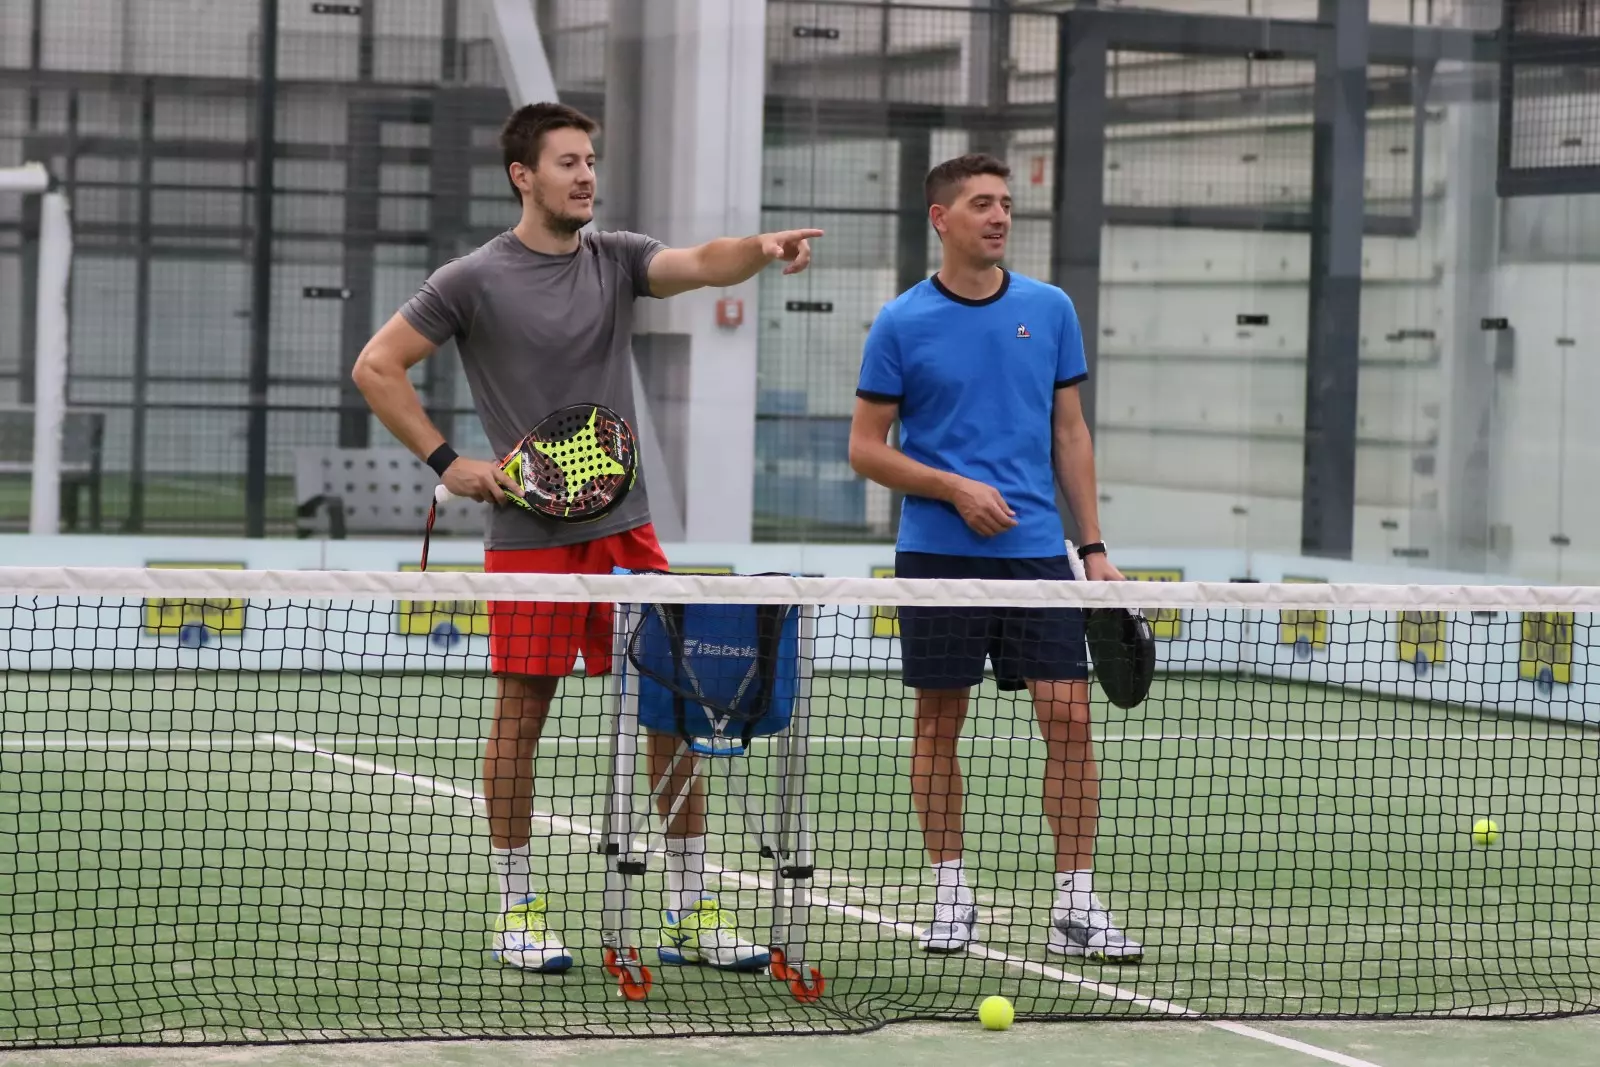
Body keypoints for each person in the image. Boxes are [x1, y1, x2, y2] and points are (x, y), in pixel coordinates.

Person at [352, 101, 822, 975]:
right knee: (521, 715)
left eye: (591, 161)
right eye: (567, 162)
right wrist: (447, 459)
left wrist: (756, 251)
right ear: (522, 176)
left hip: (627, 532)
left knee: (673, 711)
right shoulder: (471, 279)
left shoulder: (617, 258)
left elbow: (694, 264)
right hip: (528, 539)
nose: (586, 176)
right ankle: (515, 908)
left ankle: (687, 909)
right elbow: (376, 366)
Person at [847, 153, 1142, 964]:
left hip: (1039, 555)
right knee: (940, 722)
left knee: (1070, 717)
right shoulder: (900, 322)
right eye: (981, 203)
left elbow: (1069, 432)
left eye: (1006, 203)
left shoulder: (1049, 310)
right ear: (941, 218)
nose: (1000, 216)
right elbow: (866, 449)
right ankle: (950, 895)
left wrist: (1094, 547)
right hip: (938, 556)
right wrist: (952, 488)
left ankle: (1077, 904)